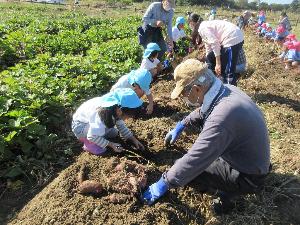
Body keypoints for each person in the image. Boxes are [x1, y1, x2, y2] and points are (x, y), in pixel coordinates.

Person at [142, 59, 270, 215]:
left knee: (190, 172)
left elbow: (196, 159)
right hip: (249, 159)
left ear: (196, 89)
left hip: (248, 175)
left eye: (183, 93)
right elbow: (204, 110)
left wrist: (165, 182)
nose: (183, 97)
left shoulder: (222, 117)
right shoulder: (227, 90)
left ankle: (227, 195)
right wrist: (182, 124)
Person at [72, 88, 144, 155]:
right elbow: (91, 136)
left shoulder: (115, 107)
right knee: (101, 149)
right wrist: (111, 144)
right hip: (80, 127)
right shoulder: (101, 115)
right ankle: (88, 145)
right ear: (119, 111)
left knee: (114, 133)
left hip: (94, 123)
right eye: (128, 117)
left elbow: (120, 124)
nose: (127, 119)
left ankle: (100, 136)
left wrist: (132, 139)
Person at [198, 20, 244, 86]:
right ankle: (217, 78)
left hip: (232, 39)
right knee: (211, 57)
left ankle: (231, 88)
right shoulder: (205, 27)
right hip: (235, 35)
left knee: (228, 70)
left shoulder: (202, 29)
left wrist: (218, 63)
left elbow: (214, 43)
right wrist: (208, 62)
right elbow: (209, 47)